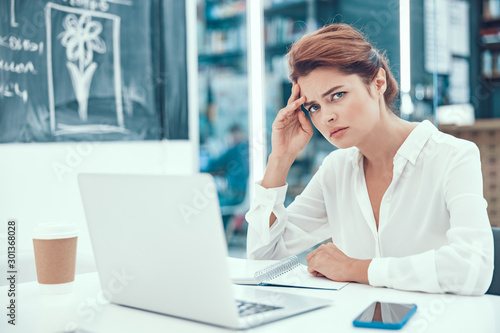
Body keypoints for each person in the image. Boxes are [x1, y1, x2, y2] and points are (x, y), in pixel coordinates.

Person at [245, 23, 494, 295]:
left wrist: (356, 268)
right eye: (314, 107)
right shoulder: (336, 170)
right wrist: (280, 159)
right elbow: (262, 256)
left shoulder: (453, 156)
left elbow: (473, 268)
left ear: (378, 82)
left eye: (337, 95)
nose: (326, 117)